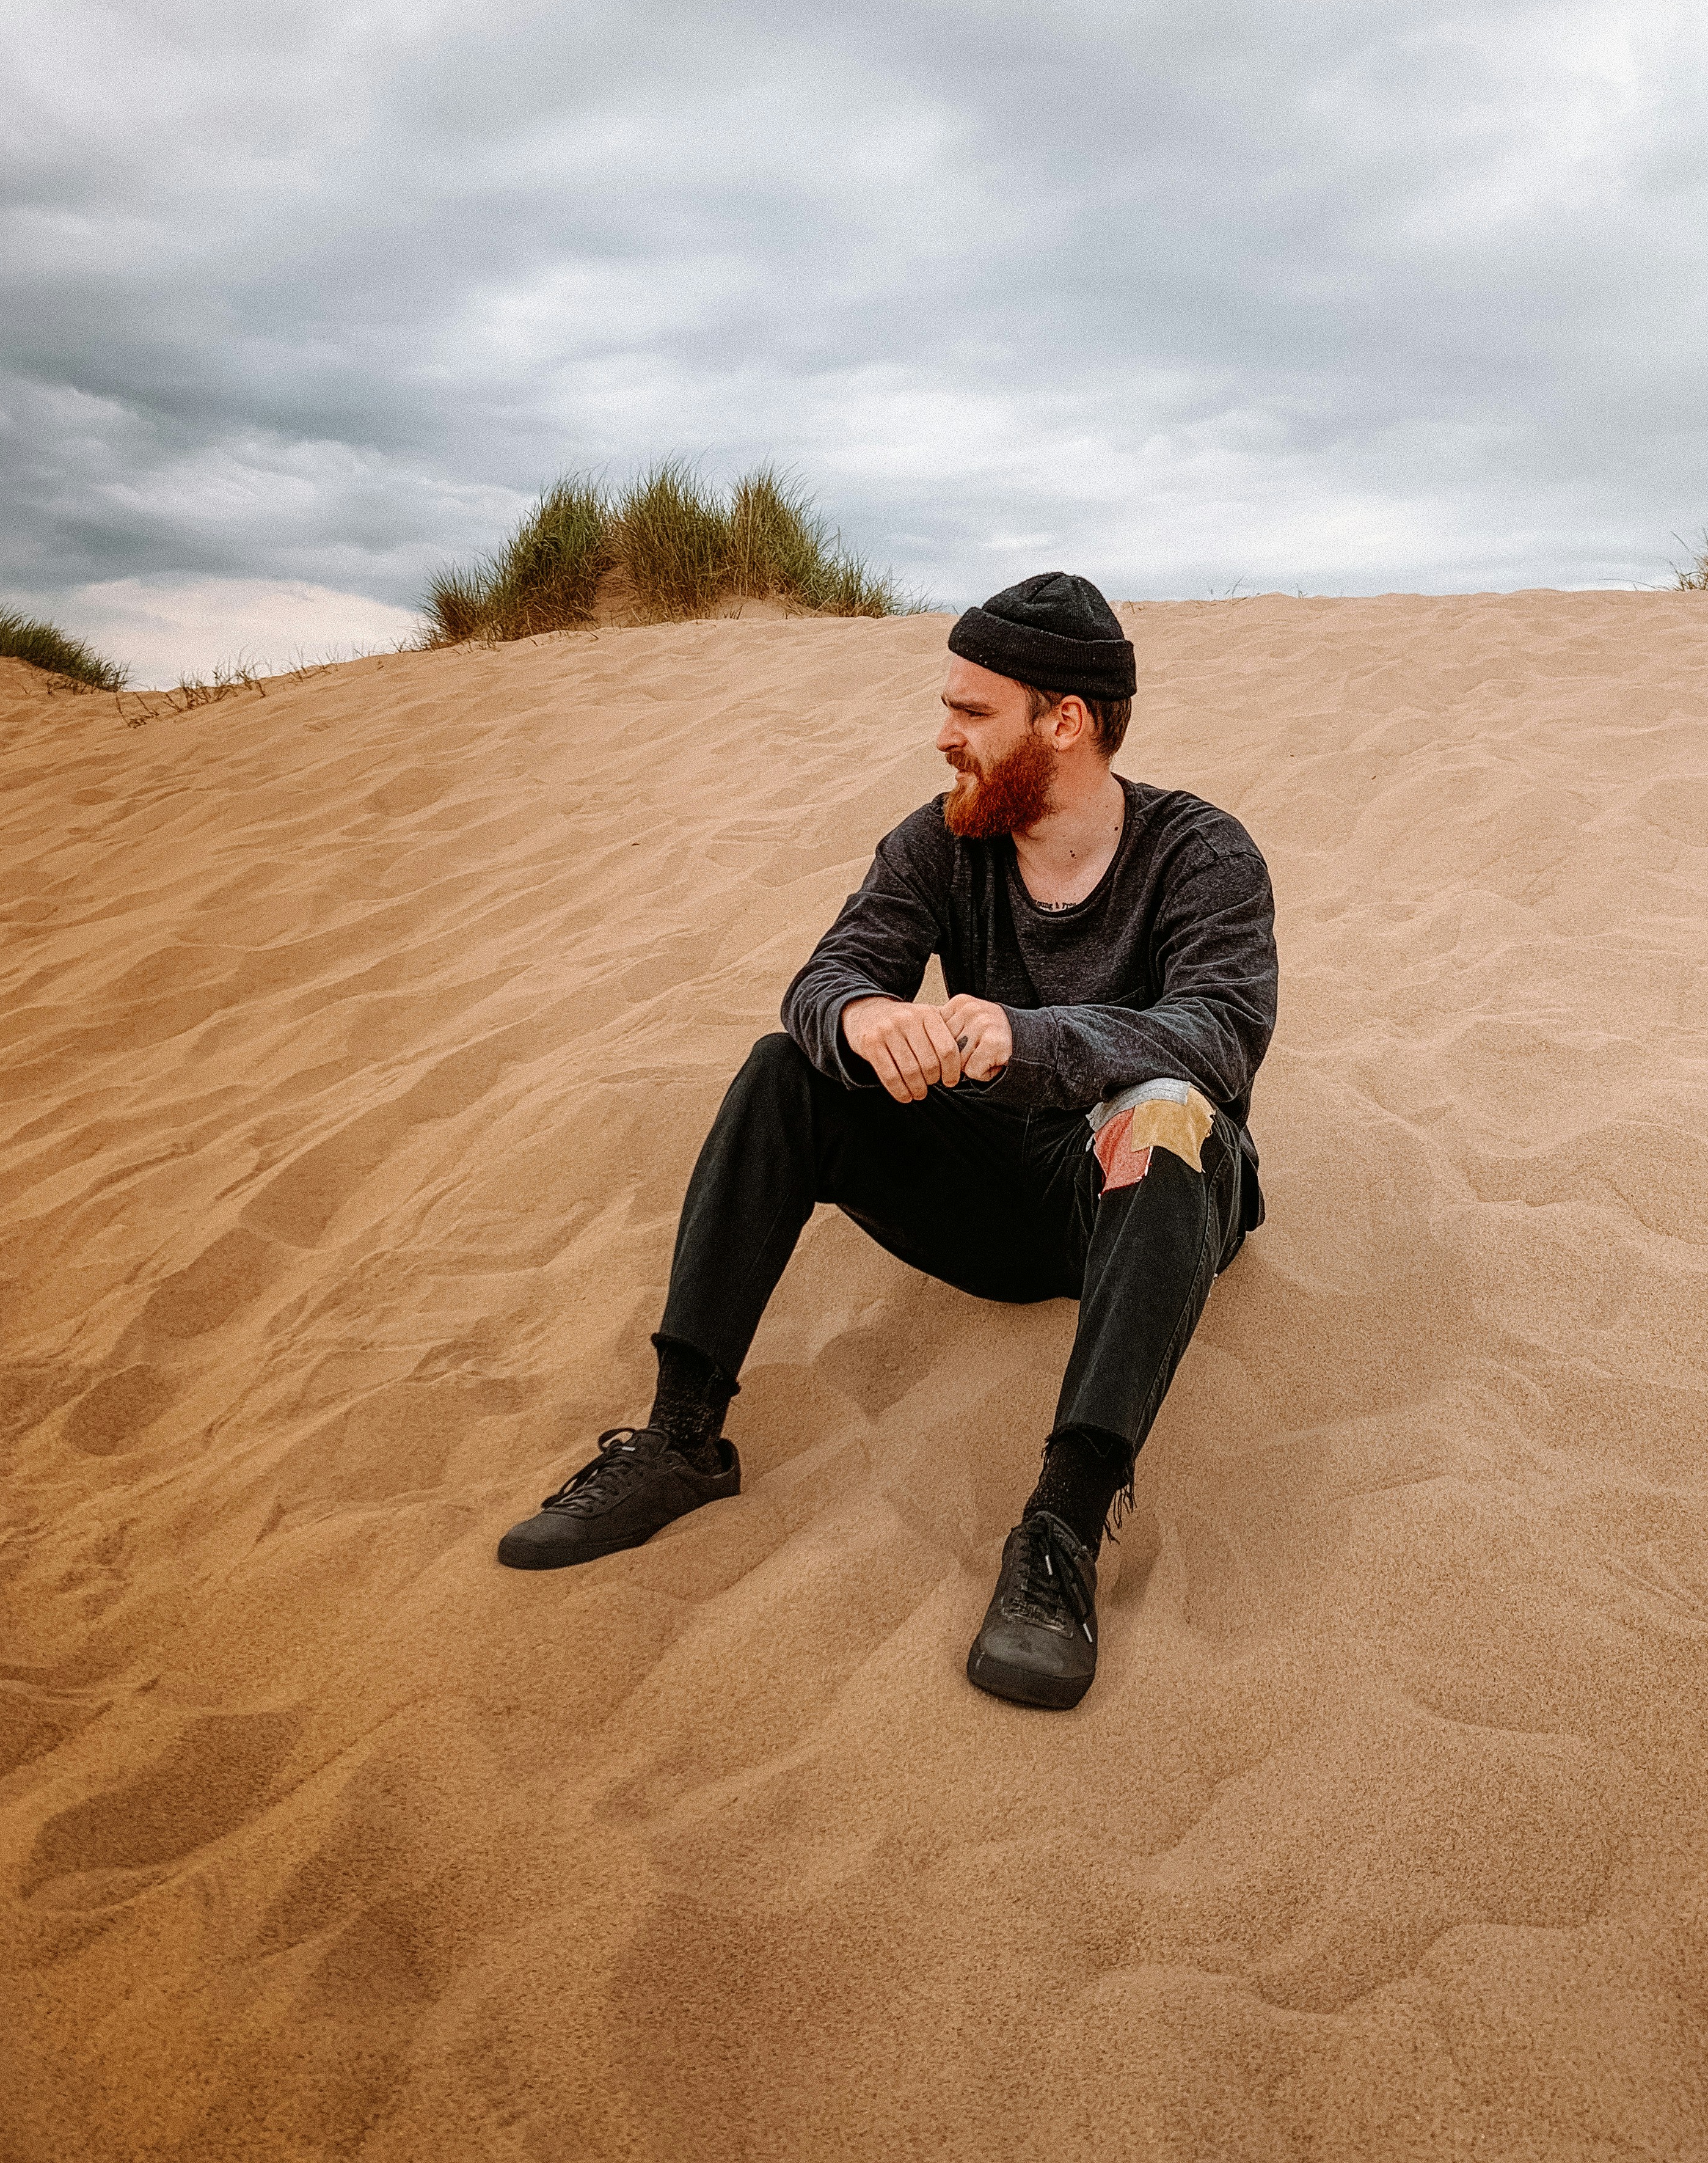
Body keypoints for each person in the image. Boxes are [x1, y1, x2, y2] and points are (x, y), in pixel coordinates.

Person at [497, 572, 1278, 1710]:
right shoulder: (940, 843)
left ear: (1065, 722)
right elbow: (827, 978)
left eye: (973, 713)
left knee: (1166, 1108)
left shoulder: (1200, 855)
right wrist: (865, 1017)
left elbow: (1220, 1036)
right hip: (992, 1194)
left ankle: (1058, 1532)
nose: (944, 737)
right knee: (785, 1072)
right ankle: (679, 1440)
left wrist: (1027, 1036)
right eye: (947, 707)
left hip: (1144, 1208)